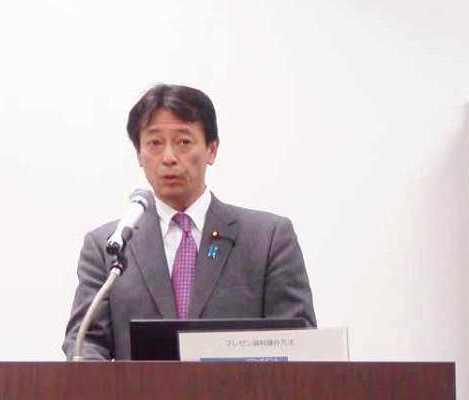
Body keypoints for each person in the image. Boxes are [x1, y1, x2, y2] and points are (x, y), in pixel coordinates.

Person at [62, 84, 316, 360]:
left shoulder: (268, 239)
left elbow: (298, 343)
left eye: (183, 142)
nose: (169, 158)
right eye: (154, 143)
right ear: (139, 154)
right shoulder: (109, 246)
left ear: (212, 149)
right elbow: (85, 342)